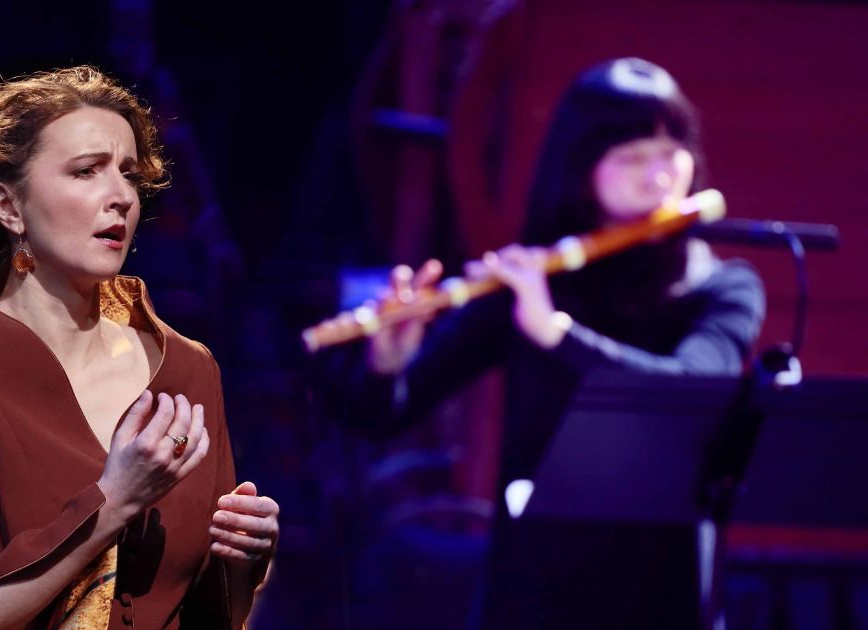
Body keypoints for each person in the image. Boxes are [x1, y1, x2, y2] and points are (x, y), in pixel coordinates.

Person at [323, 57, 765, 628]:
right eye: (632, 157)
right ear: (581, 169)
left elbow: (690, 390)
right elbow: (380, 416)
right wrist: (387, 362)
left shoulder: (723, 288)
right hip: (539, 588)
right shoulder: (530, 284)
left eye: (669, 151)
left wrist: (556, 334)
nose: (659, 175)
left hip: (663, 586)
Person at [0, 66, 278, 630]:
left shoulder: (188, 368)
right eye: (87, 171)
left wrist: (241, 561)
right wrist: (113, 501)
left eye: (129, 175)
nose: (121, 197)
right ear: (8, 207)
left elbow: (207, 616)